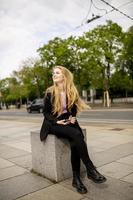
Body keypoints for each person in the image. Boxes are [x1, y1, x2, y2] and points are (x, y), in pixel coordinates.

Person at [40, 66, 106, 194]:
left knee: (76, 140)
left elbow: (73, 108)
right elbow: (46, 113)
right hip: (53, 123)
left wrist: (73, 117)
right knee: (76, 134)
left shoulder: (71, 90)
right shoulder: (50, 91)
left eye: (57, 73)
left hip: (67, 121)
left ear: (64, 76)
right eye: (53, 73)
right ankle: (90, 169)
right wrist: (55, 121)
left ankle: (76, 179)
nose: (54, 75)